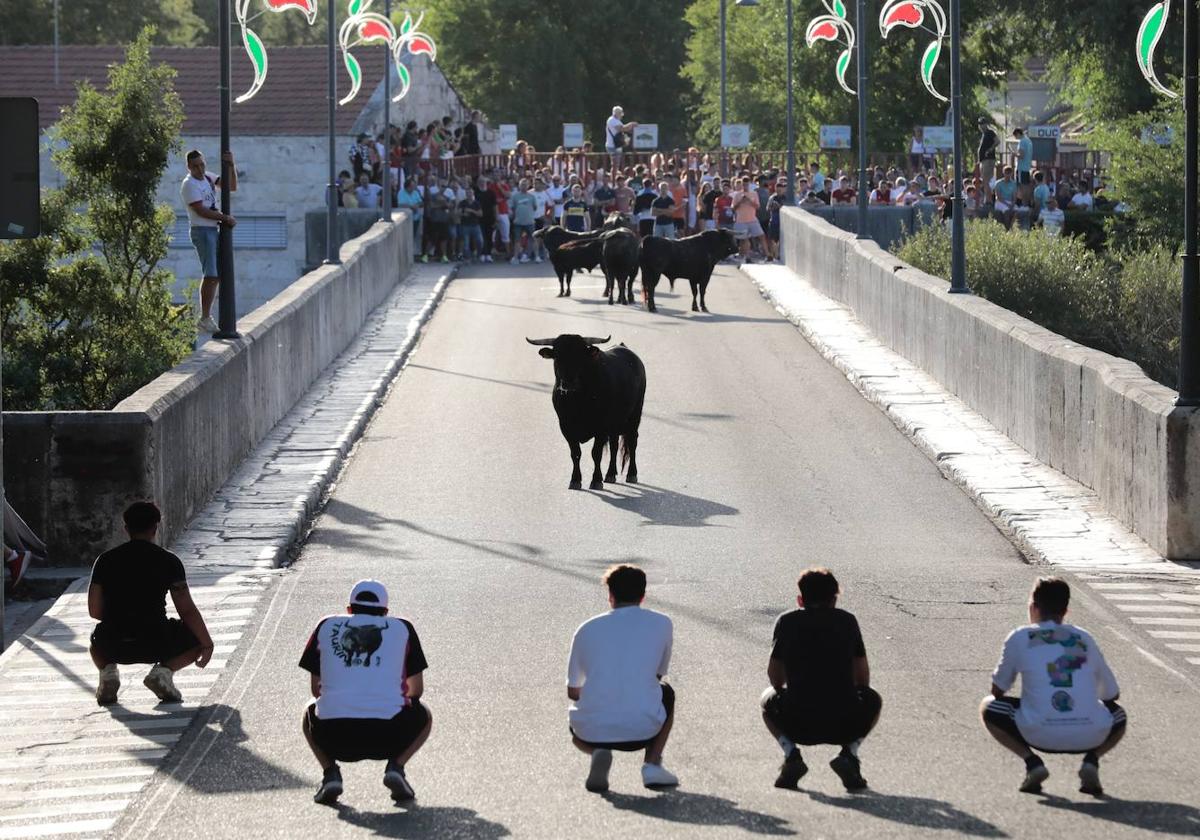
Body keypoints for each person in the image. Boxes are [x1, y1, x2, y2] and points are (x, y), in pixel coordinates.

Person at [982, 577, 1126, 796]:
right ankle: (1092, 760)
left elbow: (997, 690)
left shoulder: (1020, 637)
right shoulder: (1083, 637)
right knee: (1119, 714)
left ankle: (1032, 763)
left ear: (1033, 607)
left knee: (989, 706)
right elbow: (1112, 693)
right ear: (1065, 611)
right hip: (1089, 734)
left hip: (1038, 733)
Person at [300, 580, 432, 805]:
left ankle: (330, 773)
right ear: (385, 612)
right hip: (390, 735)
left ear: (349, 610)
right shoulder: (403, 628)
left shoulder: (325, 625)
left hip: (335, 736)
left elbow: (316, 689)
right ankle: (396, 768)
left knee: (309, 710)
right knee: (425, 714)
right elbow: (416, 691)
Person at [760, 567, 881, 792]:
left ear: (800, 600)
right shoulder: (847, 621)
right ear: (834, 599)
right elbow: (863, 679)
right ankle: (849, 754)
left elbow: (775, 679)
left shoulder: (787, 622)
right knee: (873, 698)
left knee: (767, 698)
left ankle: (792, 755)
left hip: (798, 723)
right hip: (844, 723)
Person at [88, 501, 214, 706]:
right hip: (157, 641)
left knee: (96, 640)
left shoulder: (105, 560)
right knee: (194, 637)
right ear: (155, 528)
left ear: (126, 528)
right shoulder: (169, 561)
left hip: (113, 643)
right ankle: (163, 672)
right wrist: (207, 644)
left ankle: (108, 673)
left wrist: (120, 618)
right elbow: (187, 610)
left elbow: (94, 611)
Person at [567, 564, 678, 793]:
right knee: (666, 692)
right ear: (643, 595)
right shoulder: (662, 623)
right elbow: (657, 674)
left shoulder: (586, 629)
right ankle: (652, 764)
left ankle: (598, 751)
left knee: (581, 707)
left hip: (590, 732)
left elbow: (573, 691)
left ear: (610, 595)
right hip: (643, 731)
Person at [180, 149, 237, 333]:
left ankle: (207, 316)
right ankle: (205, 317)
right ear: (189, 167)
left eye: (202, 164)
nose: (200, 169)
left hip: (213, 229)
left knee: (217, 273)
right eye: (195, 166)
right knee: (210, 273)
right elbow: (201, 210)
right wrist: (224, 218)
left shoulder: (208, 178)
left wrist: (231, 165)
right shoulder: (189, 185)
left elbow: (231, 186)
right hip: (202, 230)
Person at [731, 176, 767, 262]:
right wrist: (740, 202)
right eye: (744, 184)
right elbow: (733, 208)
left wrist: (750, 201)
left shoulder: (754, 194)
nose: (745, 186)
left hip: (752, 219)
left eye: (747, 184)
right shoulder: (737, 195)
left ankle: (767, 254)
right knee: (744, 239)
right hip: (741, 220)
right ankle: (746, 256)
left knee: (761, 236)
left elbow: (757, 207)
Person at [509, 178, 538, 264]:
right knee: (517, 240)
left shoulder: (532, 196)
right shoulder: (515, 196)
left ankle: (537, 257)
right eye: (522, 184)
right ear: (519, 186)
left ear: (528, 186)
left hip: (530, 222)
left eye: (525, 185)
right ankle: (515, 258)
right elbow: (513, 208)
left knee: (533, 239)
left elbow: (535, 207)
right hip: (518, 222)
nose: (524, 186)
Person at [977, 117, 998, 207]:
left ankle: (989, 200)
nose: (981, 126)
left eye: (983, 123)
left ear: (986, 124)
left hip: (988, 160)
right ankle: (987, 199)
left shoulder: (990, 132)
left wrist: (990, 149)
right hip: (983, 160)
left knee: (986, 181)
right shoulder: (984, 134)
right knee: (984, 180)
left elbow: (997, 141)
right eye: (980, 124)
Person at [1013, 127, 1034, 206]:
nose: (1016, 138)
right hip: (1027, 167)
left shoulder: (1022, 141)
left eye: (1015, 136)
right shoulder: (1029, 141)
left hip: (1021, 168)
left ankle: (1024, 204)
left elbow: (1021, 155)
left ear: (1018, 133)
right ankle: (1027, 203)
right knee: (1027, 186)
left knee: (1022, 187)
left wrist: (1014, 154)